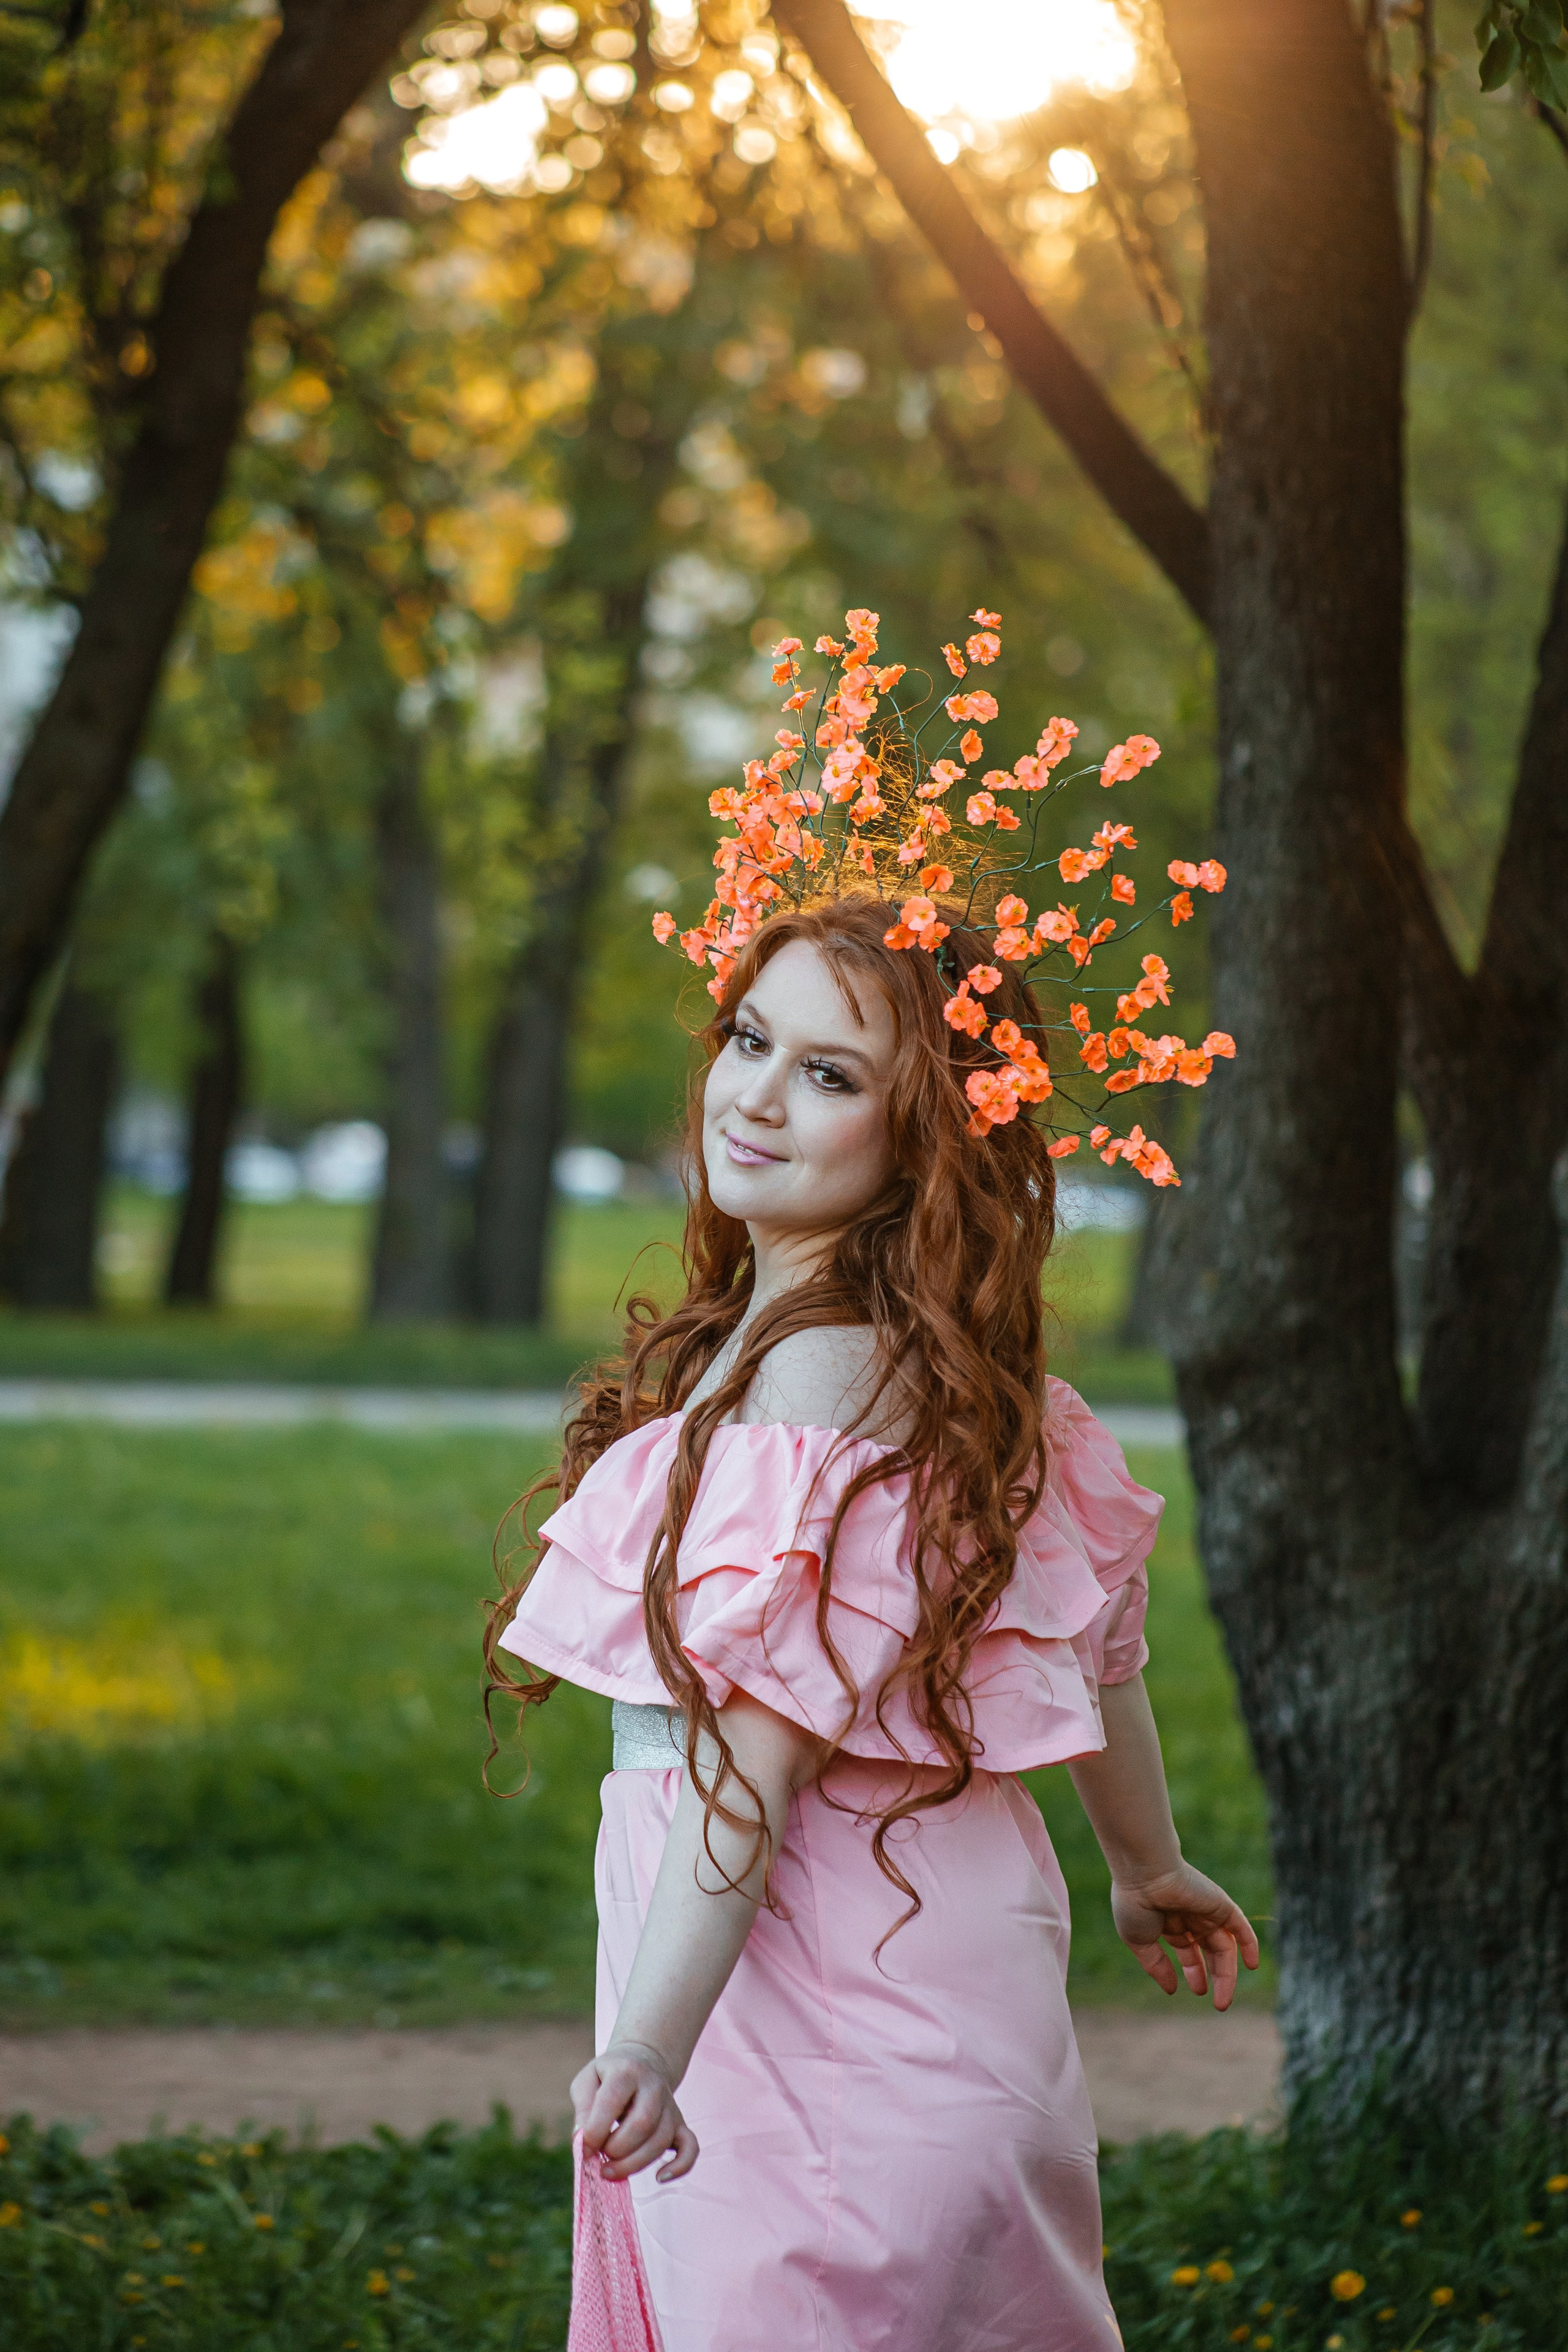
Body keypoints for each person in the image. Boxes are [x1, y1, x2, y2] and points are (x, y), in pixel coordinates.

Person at [485, 886, 1258, 2352]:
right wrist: (1143, 1863)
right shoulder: (986, 1396)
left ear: (922, 1136)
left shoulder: (797, 1410)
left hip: (802, 2039)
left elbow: (745, 1778)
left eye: (829, 1076)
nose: (755, 1097)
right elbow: (1096, 1661)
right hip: (962, 2017)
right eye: (749, 1039)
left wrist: (651, 2044)